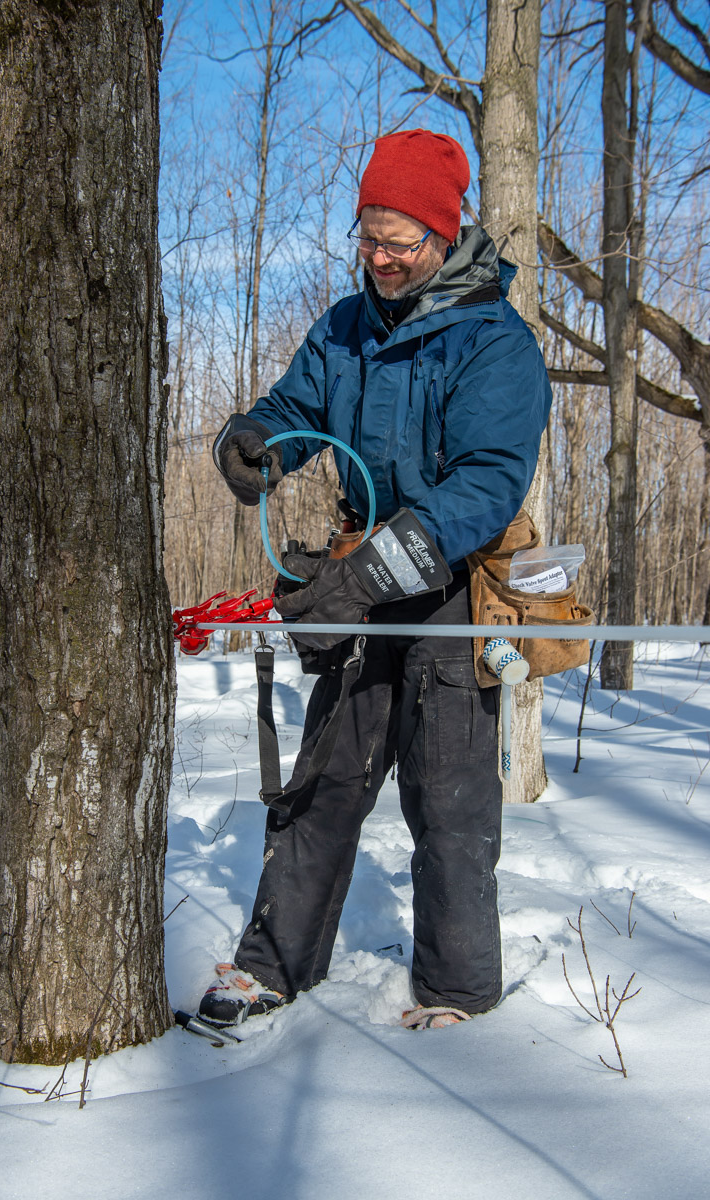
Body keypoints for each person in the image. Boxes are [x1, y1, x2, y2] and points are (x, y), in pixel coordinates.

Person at [202, 129, 552, 1030]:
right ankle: (271, 968)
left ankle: (458, 992)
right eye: (370, 237)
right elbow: (298, 408)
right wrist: (256, 442)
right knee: (324, 782)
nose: (382, 258)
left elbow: (484, 484)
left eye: (401, 241)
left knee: (451, 804)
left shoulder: (495, 344)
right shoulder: (345, 327)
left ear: (445, 233)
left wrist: (376, 574)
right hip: (362, 569)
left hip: (449, 587)